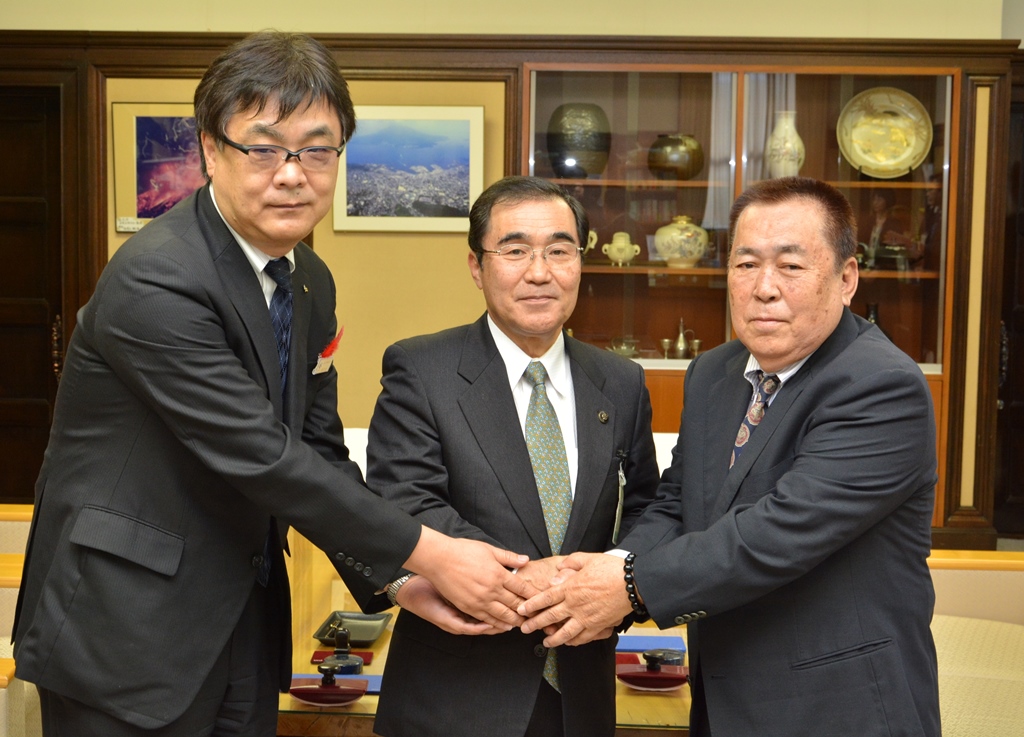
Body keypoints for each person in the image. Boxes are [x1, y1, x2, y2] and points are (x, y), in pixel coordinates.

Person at [13, 32, 528, 737]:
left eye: (318, 149)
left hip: (242, 622)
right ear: (210, 151)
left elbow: (315, 447)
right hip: (124, 630)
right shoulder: (157, 277)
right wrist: (432, 550)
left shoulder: (309, 281)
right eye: (264, 148)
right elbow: (261, 454)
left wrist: (395, 577)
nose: (293, 174)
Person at [516, 176, 941, 737]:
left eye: (791, 266)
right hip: (724, 701)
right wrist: (609, 570)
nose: (764, 287)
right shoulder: (714, 373)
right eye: (745, 265)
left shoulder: (881, 385)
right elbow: (675, 502)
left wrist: (629, 587)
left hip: (840, 708)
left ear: (846, 278)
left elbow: (778, 532)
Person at [363, 176, 661, 737]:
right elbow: (404, 500)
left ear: (581, 261)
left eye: (559, 250)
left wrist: (620, 587)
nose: (539, 272)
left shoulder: (621, 382)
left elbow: (648, 505)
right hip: (454, 698)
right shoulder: (422, 369)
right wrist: (539, 583)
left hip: (582, 694)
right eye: (516, 250)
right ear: (477, 267)